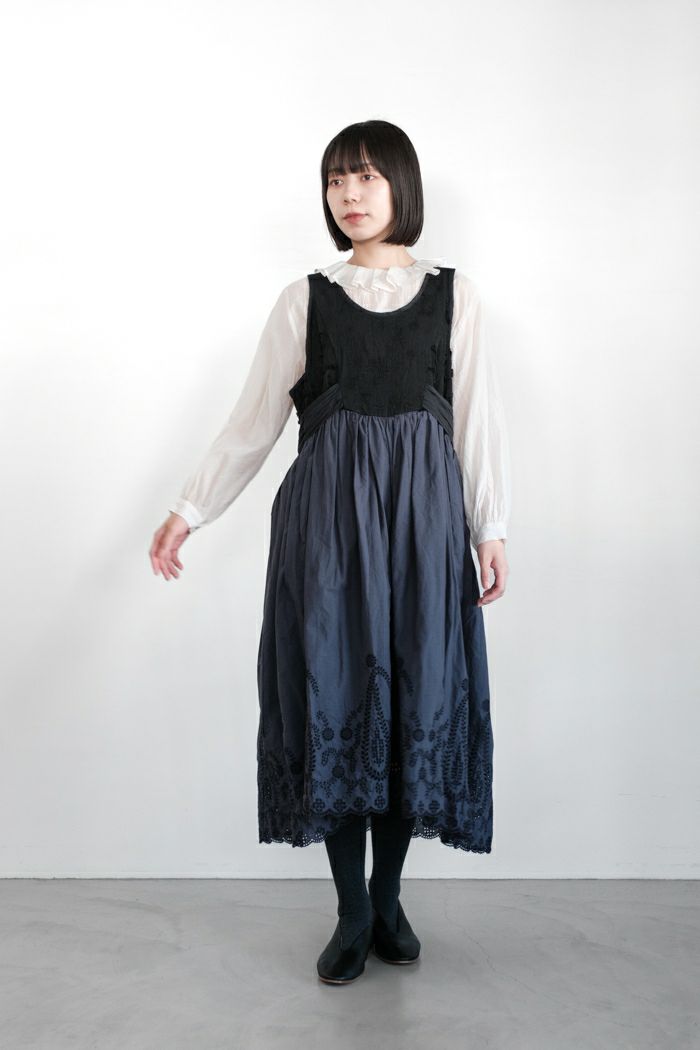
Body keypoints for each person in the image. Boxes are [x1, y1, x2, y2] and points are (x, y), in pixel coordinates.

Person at [149, 120, 511, 985]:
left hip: (423, 531)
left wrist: (490, 527)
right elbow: (252, 421)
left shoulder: (455, 296)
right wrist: (189, 509)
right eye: (336, 180)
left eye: (367, 178)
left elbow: (477, 422)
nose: (350, 195)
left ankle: (388, 898)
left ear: (401, 187)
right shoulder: (303, 300)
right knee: (335, 697)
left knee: (415, 699)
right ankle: (352, 910)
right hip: (328, 536)